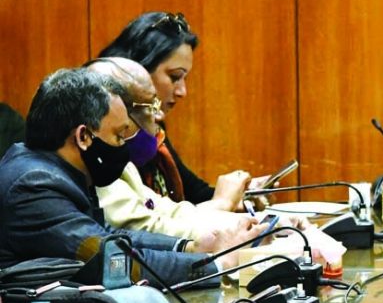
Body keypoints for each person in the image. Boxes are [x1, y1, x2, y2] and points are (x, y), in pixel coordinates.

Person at [0, 68, 261, 285]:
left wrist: (189, 247)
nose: (122, 146)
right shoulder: (34, 185)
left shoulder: (52, 169)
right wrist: (216, 264)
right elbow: (109, 260)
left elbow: (108, 236)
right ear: (83, 137)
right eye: (118, 135)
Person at [98, 11, 266, 205]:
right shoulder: (106, 140)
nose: (182, 92)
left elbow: (193, 196)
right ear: (137, 71)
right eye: (175, 77)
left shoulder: (153, 133)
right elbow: (148, 220)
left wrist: (240, 196)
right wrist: (222, 203)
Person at [85, 57, 261, 240]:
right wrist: (223, 207)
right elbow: (146, 230)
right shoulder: (98, 167)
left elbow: (169, 212)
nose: (160, 115)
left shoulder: (122, 163)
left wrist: (246, 222)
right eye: (151, 105)